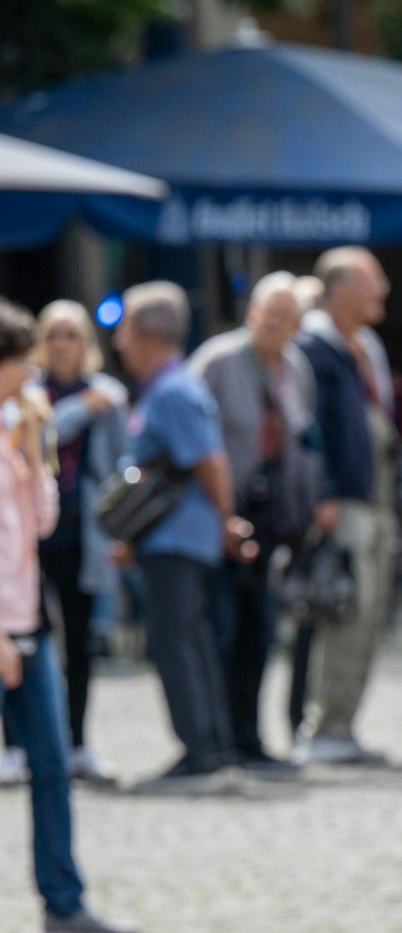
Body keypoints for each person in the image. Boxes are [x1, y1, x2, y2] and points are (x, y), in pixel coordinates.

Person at [0, 298, 136, 933]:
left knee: (52, 765)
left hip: (29, 625)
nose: (30, 372)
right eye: (22, 358)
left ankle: (64, 903)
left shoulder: (19, 435)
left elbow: (43, 524)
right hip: (4, 630)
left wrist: (36, 453)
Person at [112, 281, 255, 792]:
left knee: (176, 644)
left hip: (178, 538)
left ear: (148, 333)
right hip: (172, 536)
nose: (119, 342)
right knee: (189, 642)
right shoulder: (168, 387)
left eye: (125, 328)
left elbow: (210, 461)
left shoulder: (173, 389)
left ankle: (201, 754)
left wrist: (224, 520)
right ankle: (208, 748)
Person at [188, 272, 319, 776]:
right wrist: (220, 515)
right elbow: (194, 443)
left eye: (288, 319)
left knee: (260, 631)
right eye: (270, 315)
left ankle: (250, 735)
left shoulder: (295, 368)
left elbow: (304, 437)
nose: (277, 326)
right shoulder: (218, 362)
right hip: (217, 514)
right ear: (252, 315)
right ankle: (217, 736)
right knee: (220, 627)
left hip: (272, 521)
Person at [294, 246, 396, 765]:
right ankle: (325, 727)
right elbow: (308, 429)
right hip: (345, 504)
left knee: (369, 616)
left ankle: (344, 725)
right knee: (345, 615)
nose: (381, 291)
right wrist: (325, 493)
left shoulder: (360, 346)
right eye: (371, 281)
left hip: (372, 500)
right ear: (340, 289)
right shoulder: (315, 347)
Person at [23, 300, 126, 787]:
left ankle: (77, 742)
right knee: (24, 638)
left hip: (83, 532)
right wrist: (80, 409)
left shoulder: (109, 394)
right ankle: (17, 746)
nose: (63, 344)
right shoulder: (24, 393)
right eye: (55, 334)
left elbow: (119, 467)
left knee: (80, 643)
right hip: (28, 535)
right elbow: (42, 431)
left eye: (72, 335)